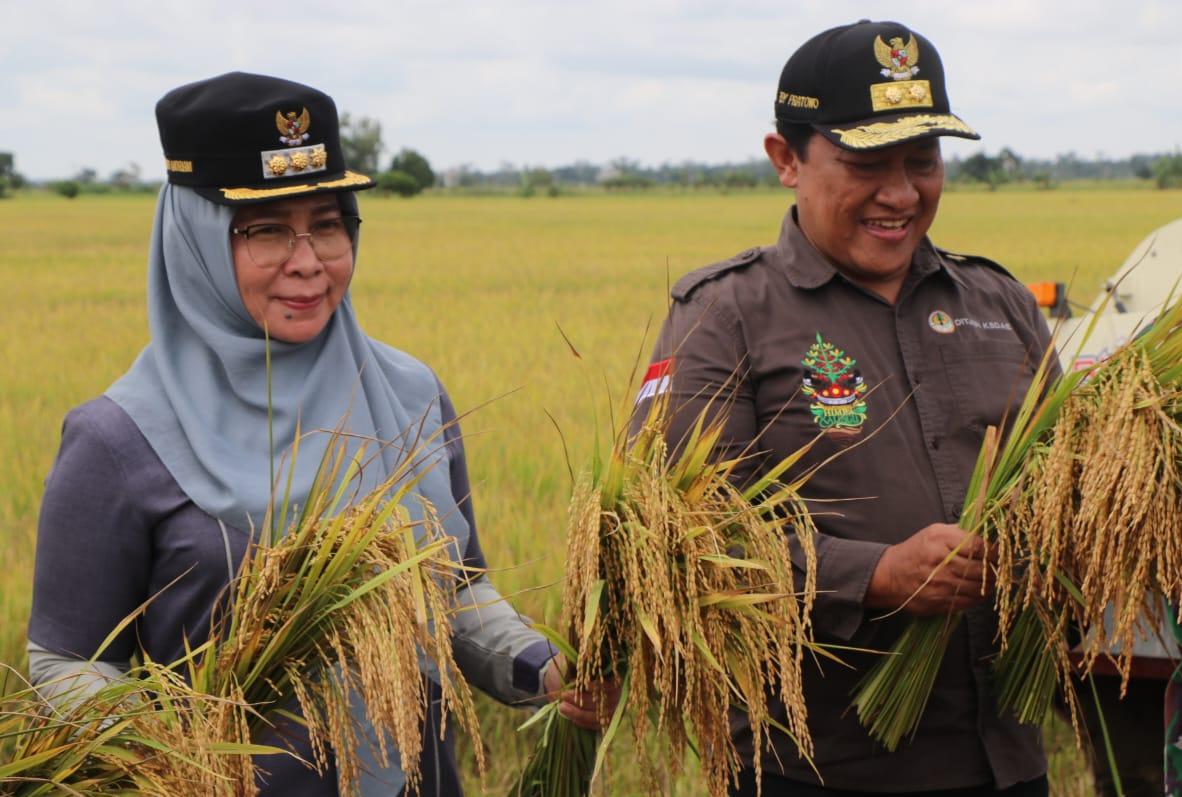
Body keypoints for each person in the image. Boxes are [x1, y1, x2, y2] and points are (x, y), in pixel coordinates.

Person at [26, 72, 600, 796]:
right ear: (196, 239)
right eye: (265, 230)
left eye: (328, 224)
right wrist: (166, 759)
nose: (308, 261)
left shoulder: (410, 396)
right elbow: (66, 661)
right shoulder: (118, 438)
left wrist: (543, 667)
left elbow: (457, 592)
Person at [635, 20, 1053, 796]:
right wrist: (878, 575)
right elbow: (682, 541)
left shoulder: (1000, 303)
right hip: (816, 767)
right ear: (785, 159)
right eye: (866, 163)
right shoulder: (724, 315)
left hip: (1006, 762)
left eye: (923, 161)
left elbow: (1070, 487)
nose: (901, 194)